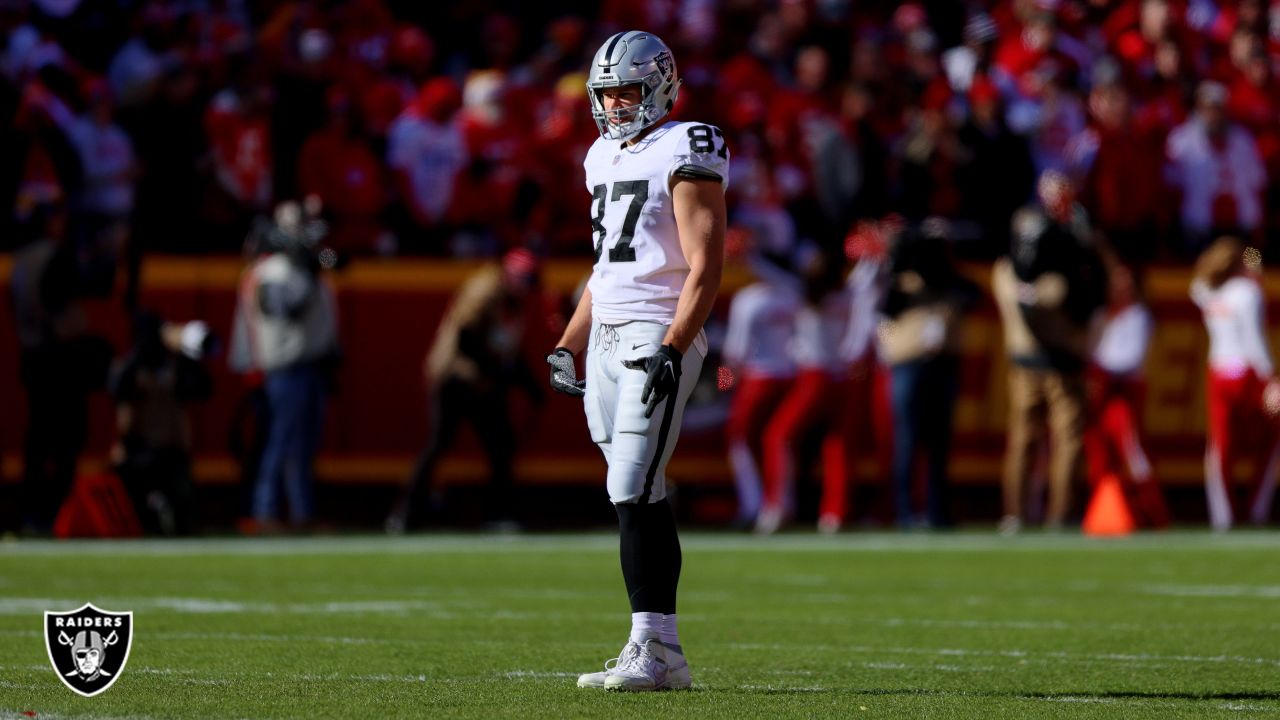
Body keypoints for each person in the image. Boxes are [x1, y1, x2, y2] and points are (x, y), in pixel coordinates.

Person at [546, 31, 727, 692]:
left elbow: (706, 264)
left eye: (628, 90)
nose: (618, 104)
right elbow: (604, 270)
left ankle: (655, 646)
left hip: (656, 327)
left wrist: (676, 344)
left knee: (629, 484)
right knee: (637, 493)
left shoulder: (689, 143)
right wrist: (569, 339)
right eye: (608, 93)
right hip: (605, 338)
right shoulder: (598, 156)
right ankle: (658, 649)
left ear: (661, 86)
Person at [385, 248, 544, 533]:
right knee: (438, 444)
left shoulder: (515, 301)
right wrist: (498, 372)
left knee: (501, 446)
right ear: (513, 277)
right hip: (455, 377)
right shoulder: (483, 291)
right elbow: (466, 337)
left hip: (483, 379)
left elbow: (508, 347)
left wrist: (529, 384)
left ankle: (497, 513)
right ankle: (404, 512)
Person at [991, 173, 1107, 532]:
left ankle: (1016, 514)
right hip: (1059, 359)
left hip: (1024, 359)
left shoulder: (1006, 269)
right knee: (1065, 439)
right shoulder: (1059, 270)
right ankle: (1058, 514)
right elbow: (1081, 297)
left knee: (1026, 438)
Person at [229, 200, 339, 532]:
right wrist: (306, 276)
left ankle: (302, 513)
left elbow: (338, 261)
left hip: (312, 364)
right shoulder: (271, 271)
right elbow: (283, 310)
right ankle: (265, 511)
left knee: (304, 447)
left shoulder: (311, 263)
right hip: (284, 366)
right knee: (279, 442)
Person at [878, 221, 979, 529]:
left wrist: (941, 269)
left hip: (941, 364)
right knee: (907, 440)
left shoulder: (951, 282)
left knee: (938, 442)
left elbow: (973, 295)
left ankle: (936, 510)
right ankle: (906, 510)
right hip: (907, 363)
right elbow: (886, 305)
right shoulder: (903, 281)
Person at [1190, 237, 1280, 530]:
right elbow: (1256, 339)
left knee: (1221, 448)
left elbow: (1198, 280)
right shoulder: (1248, 291)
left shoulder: (1207, 290)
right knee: (1269, 439)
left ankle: (1223, 517)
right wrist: (1271, 378)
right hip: (1248, 374)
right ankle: (1256, 508)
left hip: (1218, 372)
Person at [1084, 263, 1169, 527]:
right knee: (1097, 452)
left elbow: (1129, 359)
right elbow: (1089, 349)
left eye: (1127, 281)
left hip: (1123, 395)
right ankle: (1106, 509)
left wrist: (1098, 371)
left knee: (1133, 452)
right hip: (1099, 395)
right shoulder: (1100, 315)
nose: (1122, 287)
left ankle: (1152, 511)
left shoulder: (1139, 316)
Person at [721, 256, 799, 528]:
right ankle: (781, 502)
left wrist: (725, 386)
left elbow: (734, 353)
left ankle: (754, 505)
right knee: (780, 442)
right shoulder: (794, 294)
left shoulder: (748, 299)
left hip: (757, 379)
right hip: (792, 377)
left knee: (741, 442)